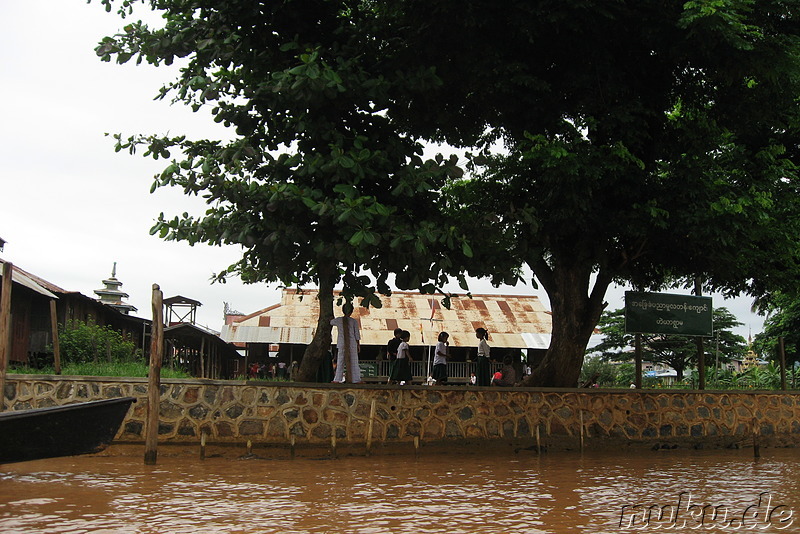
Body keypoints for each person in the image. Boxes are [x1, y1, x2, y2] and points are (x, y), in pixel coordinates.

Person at [330, 303, 362, 384]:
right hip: (352, 344)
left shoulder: (338, 320)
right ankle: (356, 379)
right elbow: (356, 334)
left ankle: (337, 379)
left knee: (340, 361)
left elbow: (330, 322)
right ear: (351, 311)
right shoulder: (353, 321)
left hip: (342, 343)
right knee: (354, 361)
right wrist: (358, 344)